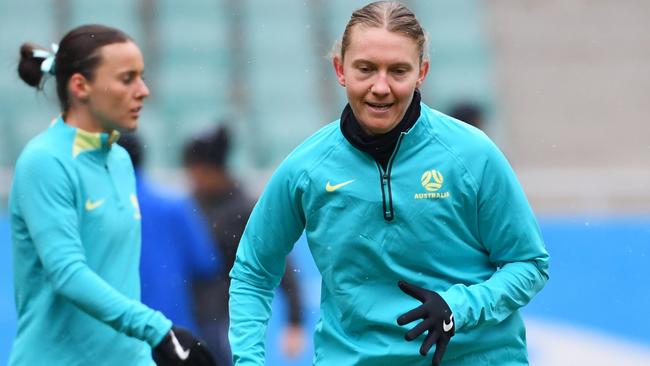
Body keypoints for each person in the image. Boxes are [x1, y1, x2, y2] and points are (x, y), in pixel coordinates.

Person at [228, 2, 550, 366]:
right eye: (366, 69)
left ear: (422, 73)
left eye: (398, 71)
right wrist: (247, 362)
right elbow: (253, 272)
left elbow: (528, 264)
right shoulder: (305, 169)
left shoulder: (473, 154)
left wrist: (458, 308)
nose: (380, 87)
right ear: (340, 69)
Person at [9, 24, 215, 366]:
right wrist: (159, 330)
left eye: (142, 76)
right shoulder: (44, 161)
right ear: (80, 86)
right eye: (127, 78)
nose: (143, 90)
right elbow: (68, 273)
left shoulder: (119, 160)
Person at [183, 126, 306, 365]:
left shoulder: (247, 210)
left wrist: (294, 322)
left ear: (209, 169)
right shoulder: (189, 204)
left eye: (195, 170)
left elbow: (282, 266)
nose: (192, 177)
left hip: (227, 318)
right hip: (191, 317)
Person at [118, 133, 220, 333]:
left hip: (120, 329)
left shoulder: (98, 212)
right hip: (171, 330)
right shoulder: (175, 206)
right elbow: (206, 264)